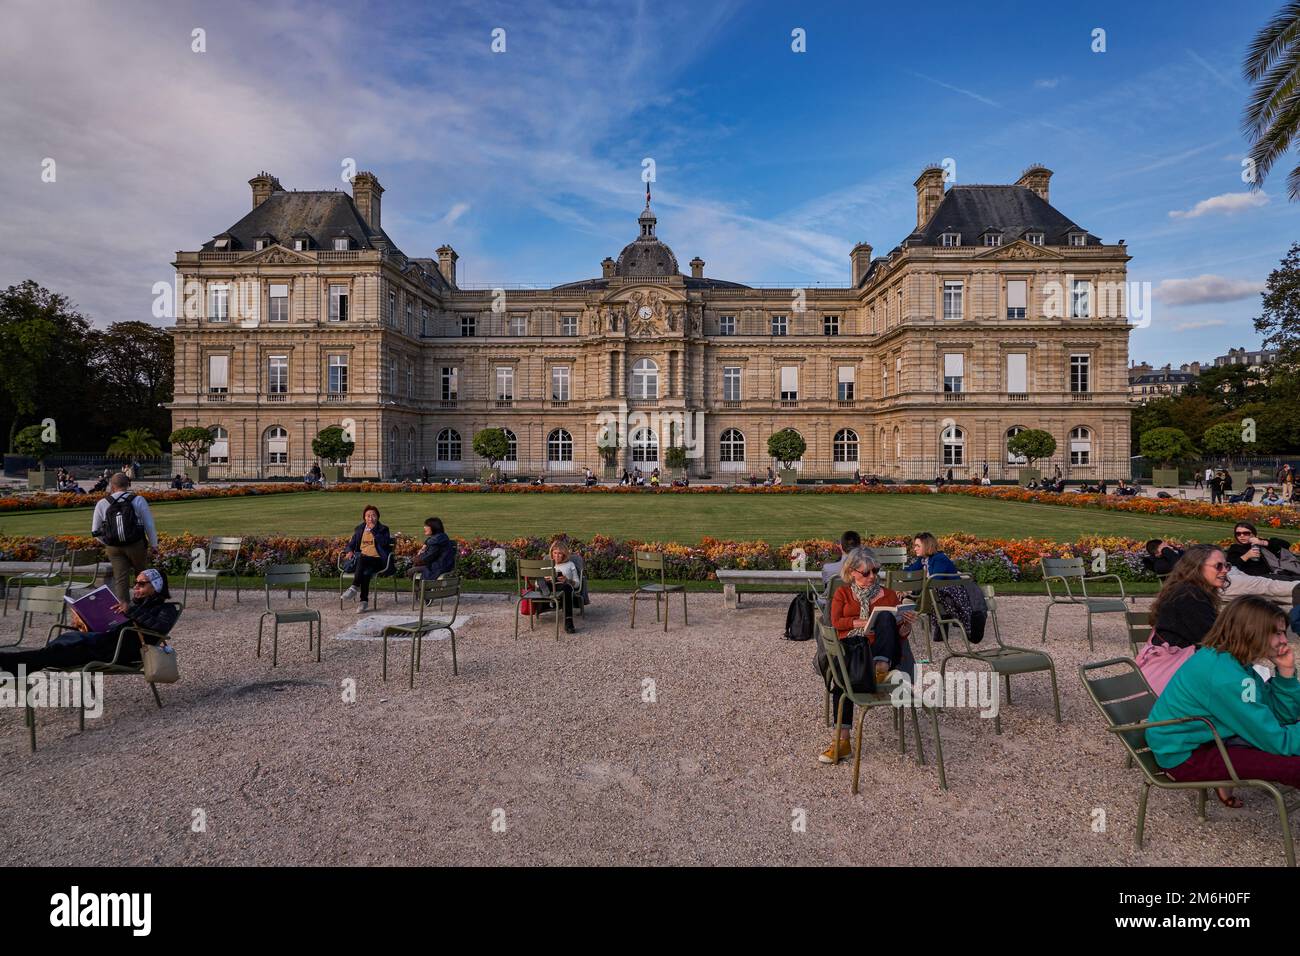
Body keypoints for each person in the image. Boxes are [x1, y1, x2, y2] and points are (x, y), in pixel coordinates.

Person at [1147, 596, 1300, 799]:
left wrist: (1286, 672)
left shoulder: (1233, 660)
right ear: (1250, 631)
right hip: (1187, 756)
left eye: (1283, 632)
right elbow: (1277, 741)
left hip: (1213, 738)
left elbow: (1280, 716)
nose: (1284, 640)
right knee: (1294, 767)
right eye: (1277, 633)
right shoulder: (1225, 676)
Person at [820, 548, 917, 764]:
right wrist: (859, 623)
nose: (872, 576)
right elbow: (835, 622)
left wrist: (906, 627)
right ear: (852, 572)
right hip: (854, 648)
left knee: (884, 616)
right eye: (866, 573)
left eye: (875, 571)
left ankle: (881, 669)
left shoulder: (890, 595)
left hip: (880, 652)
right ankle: (842, 742)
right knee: (842, 679)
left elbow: (898, 637)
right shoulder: (843, 593)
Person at [0, 568, 178, 676]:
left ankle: (11, 663)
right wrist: (85, 621)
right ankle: (16, 665)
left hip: (121, 652)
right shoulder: (134, 606)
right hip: (105, 645)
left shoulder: (167, 609)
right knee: (61, 648)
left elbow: (160, 627)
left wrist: (131, 611)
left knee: (61, 650)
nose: (136, 587)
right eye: (135, 583)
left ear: (155, 587)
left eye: (141, 584)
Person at [91, 472, 158, 602]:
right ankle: (143, 603)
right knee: (142, 574)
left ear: (112, 485)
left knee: (120, 578)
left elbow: (95, 531)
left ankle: (124, 606)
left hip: (114, 547)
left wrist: (107, 542)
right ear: (127, 485)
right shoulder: (138, 500)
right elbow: (149, 524)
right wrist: (154, 544)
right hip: (136, 543)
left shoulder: (102, 503)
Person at [340, 505, 394, 613]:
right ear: (364, 517)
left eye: (373, 515)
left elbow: (384, 543)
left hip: (379, 560)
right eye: (368, 516)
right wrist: (349, 550)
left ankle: (354, 587)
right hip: (364, 562)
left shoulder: (383, 529)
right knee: (366, 571)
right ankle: (363, 602)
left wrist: (373, 530)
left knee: (363, 560)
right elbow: (351, 544)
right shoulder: (360, 529)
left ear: (378, 517)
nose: (370, 518)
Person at [1226, 522, 1300, 580]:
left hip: (1278, 571)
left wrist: (1262, 542)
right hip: (1259, 577)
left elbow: (1286, 545)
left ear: (1253, 534)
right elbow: (1231, 566)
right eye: (1238, 534)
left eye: (1246, 533)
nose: (1242, 536)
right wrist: (1246, 556)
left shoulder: (1260, 543)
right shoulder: (1235, 549)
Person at [411, 517, 456, 596]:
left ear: (434, 527)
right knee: (414, 569)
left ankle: (424, 593)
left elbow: (428, 557)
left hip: (437, 566)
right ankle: (422, 592)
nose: (424, 528)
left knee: (411, 571)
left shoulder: (435, 541)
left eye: (427, 526)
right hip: (443, 564)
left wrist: (416, 559)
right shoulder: (440, 537)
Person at [543, 540, 581, 634]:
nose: (556, 556)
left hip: (563, 587)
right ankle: (550, 595)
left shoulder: (570, 565)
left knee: (566, 587)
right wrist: (545, 579)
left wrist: (567, 580)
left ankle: (568, 623)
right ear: (551, 553)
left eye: (560, 553)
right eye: (555, 553)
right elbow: (536, 585)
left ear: (564, 554)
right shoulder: (546, 565)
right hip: (549, 586)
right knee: (542, 581)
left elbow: (577, 584)